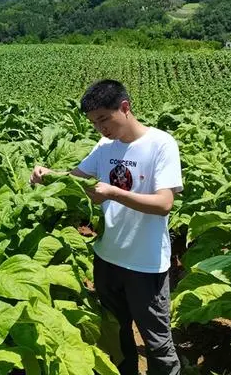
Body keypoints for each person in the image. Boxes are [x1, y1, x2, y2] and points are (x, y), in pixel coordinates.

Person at [31, 79, 183, 375]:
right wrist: (47, 174)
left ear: (124, 108)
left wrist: (113, 192)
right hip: (107, 259)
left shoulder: (160, 144)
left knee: (157, 342)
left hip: (145, 264)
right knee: (115, 332)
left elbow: (164, 203)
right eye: (94, 122)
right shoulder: (104, 146)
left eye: (104, 118)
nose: (100, 127)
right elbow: (75, 177)